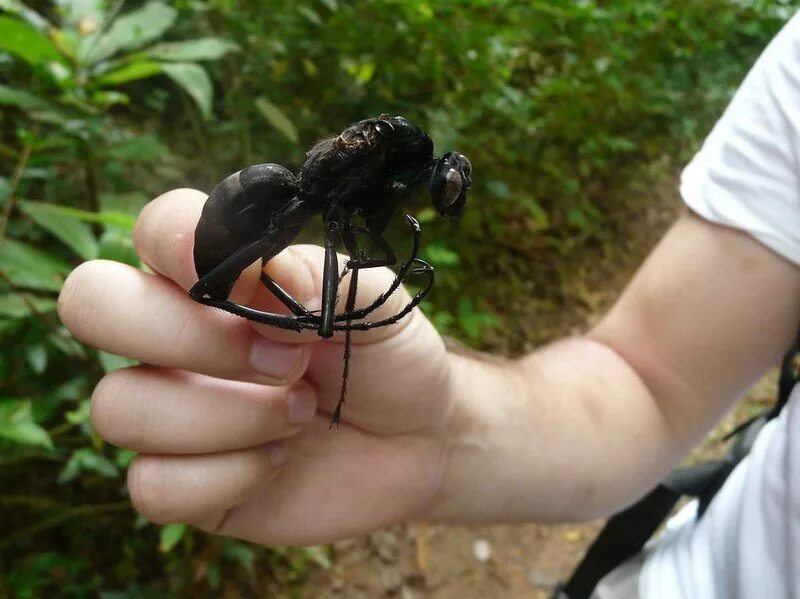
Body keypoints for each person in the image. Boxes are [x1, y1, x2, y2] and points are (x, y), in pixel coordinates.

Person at [57, 12, 800, 599]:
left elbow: (358, 216)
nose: (440, 202)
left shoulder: (385, 172)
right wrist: (432, 423)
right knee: (294, 297)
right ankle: (266, 339)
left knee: (324, 297)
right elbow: (650, 383)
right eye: (446, 191)